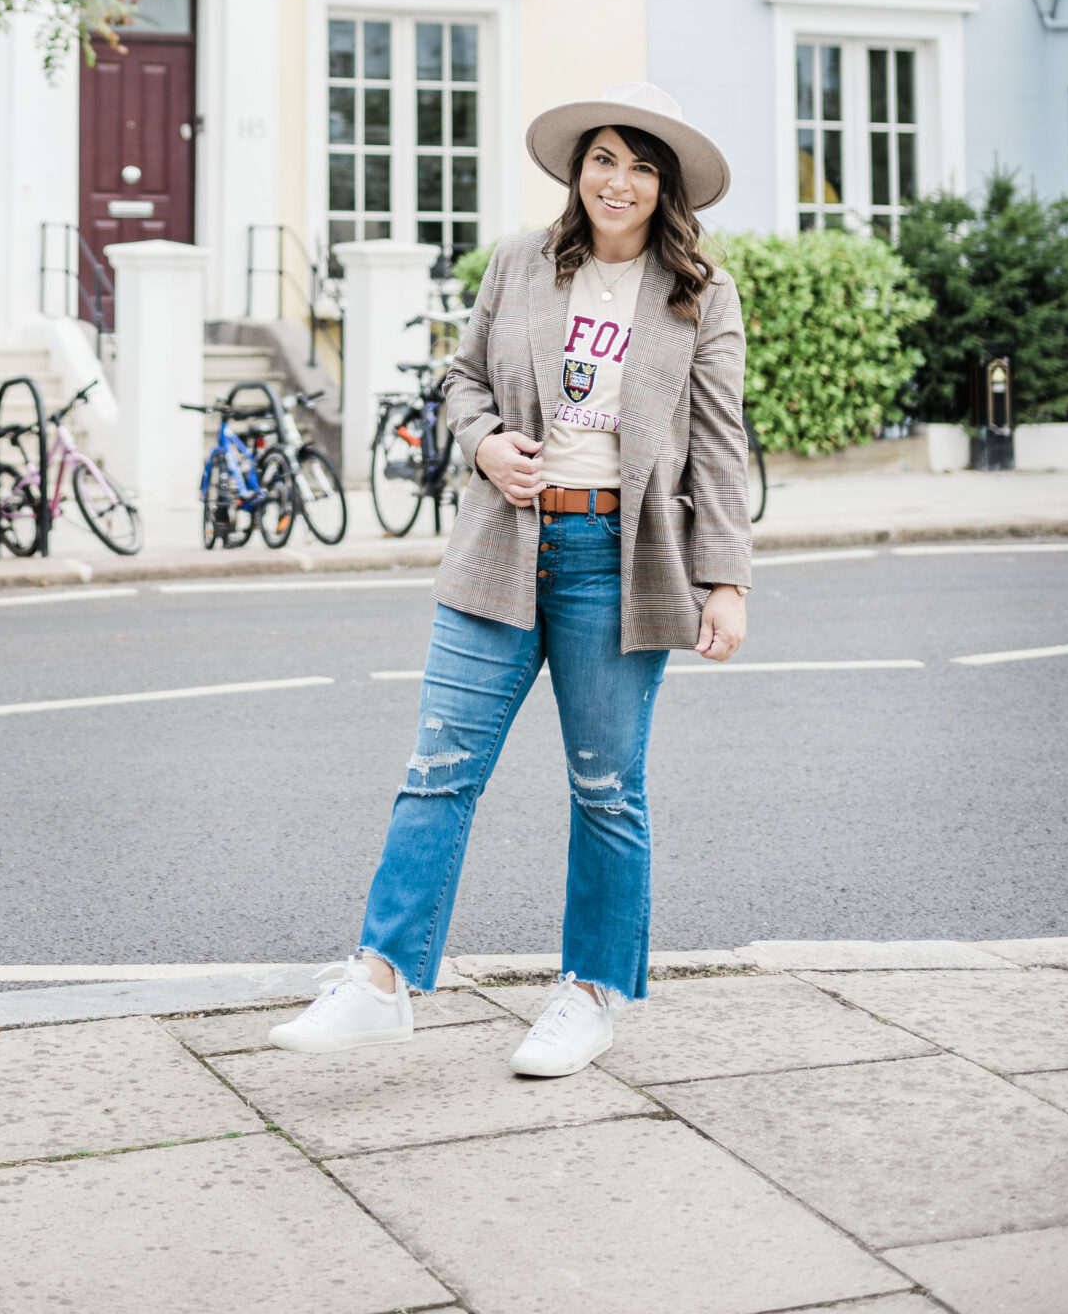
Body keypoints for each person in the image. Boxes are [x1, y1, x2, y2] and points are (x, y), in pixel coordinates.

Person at [272, 80, 752, 1076]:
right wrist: (485, 444)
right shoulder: (519, 263)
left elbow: (715, 447)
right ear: (577, 171)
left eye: (640, 165)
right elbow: (459, 378)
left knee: (605, 788)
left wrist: (726, 579)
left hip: (616, 561)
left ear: (665, 189)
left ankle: (590, 992)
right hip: (501, 546)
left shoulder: (696, 291)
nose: (616, 180)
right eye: (602, 159)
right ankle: (378, 980)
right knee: (436, 770)